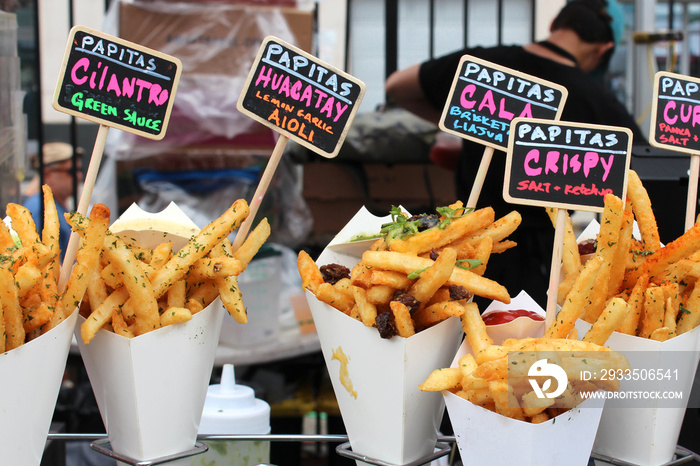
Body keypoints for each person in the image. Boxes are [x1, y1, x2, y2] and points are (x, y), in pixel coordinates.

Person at [385, 0, 647, 308]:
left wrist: (462, 124)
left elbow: (396, 85)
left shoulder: (484, 66)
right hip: (544, 266)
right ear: (601, 50)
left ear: (553, 26)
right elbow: (644, 165)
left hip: (457, 252)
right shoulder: (597, 102)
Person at [23, 142, 83, 260]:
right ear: (47, 173)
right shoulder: (41, 210)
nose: (79, 175)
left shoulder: (54, 205)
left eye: (80, 169)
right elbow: (48, 268)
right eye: (72, 171)